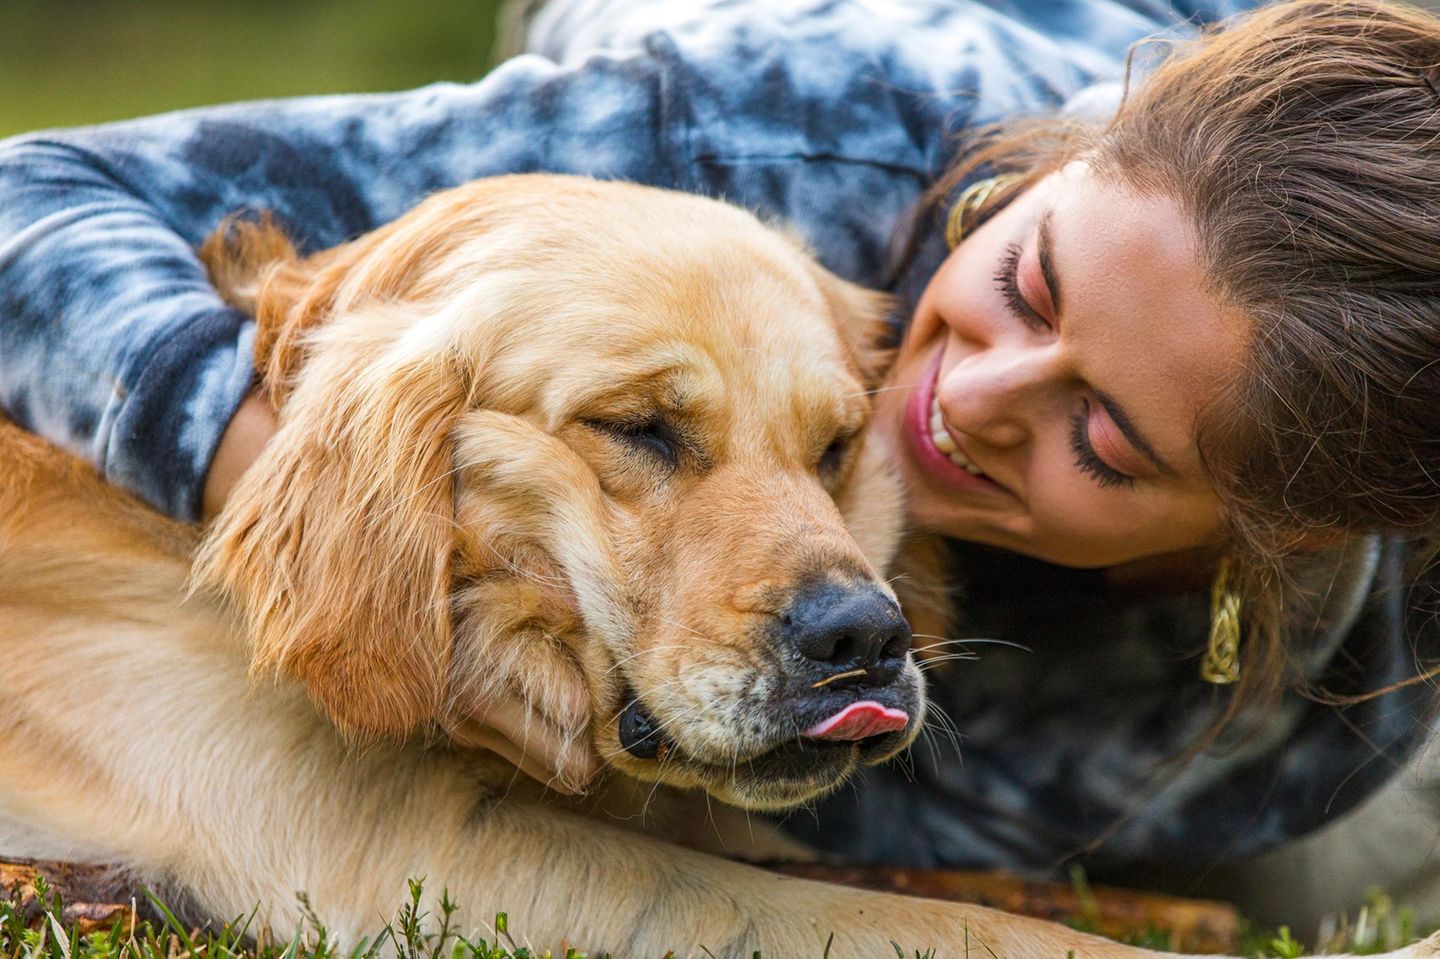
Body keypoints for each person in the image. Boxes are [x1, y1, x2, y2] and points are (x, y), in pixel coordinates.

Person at [2, 0, 1437, 932]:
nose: (960, 397)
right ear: (1051, 177)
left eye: (1103, 438)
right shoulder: (755, 150)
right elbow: (26, 192)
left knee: (1339, 861)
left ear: (1282, 539)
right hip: (778, 65)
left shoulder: (1323, 707)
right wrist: (324, 522)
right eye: (1029, 283)